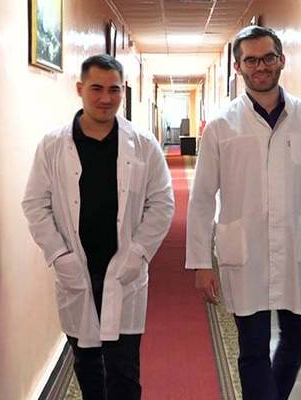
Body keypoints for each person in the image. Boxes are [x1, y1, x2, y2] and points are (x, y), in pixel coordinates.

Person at [186, 26, 301, 400]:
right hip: (245, 252)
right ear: (238, 67)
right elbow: (202, 198)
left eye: (268, 58)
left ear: (281, 60)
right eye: (251, 60)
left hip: (297, 249)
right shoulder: (222, 126)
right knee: (253, 348)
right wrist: (201, 263)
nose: (261, 66)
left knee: (299, 335)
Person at [22, 54, 174, 400]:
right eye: (96, 88)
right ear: (80, 89)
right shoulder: (53, 145)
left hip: (124, 270)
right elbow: (35, 204)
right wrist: (59, 254)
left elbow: (162, 203)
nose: (106, 98)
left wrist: (139, 252)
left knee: (124, 370)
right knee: (87, 364)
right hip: (77, 268)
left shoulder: (143, 144)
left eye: (114, 90)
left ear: (122, 91)